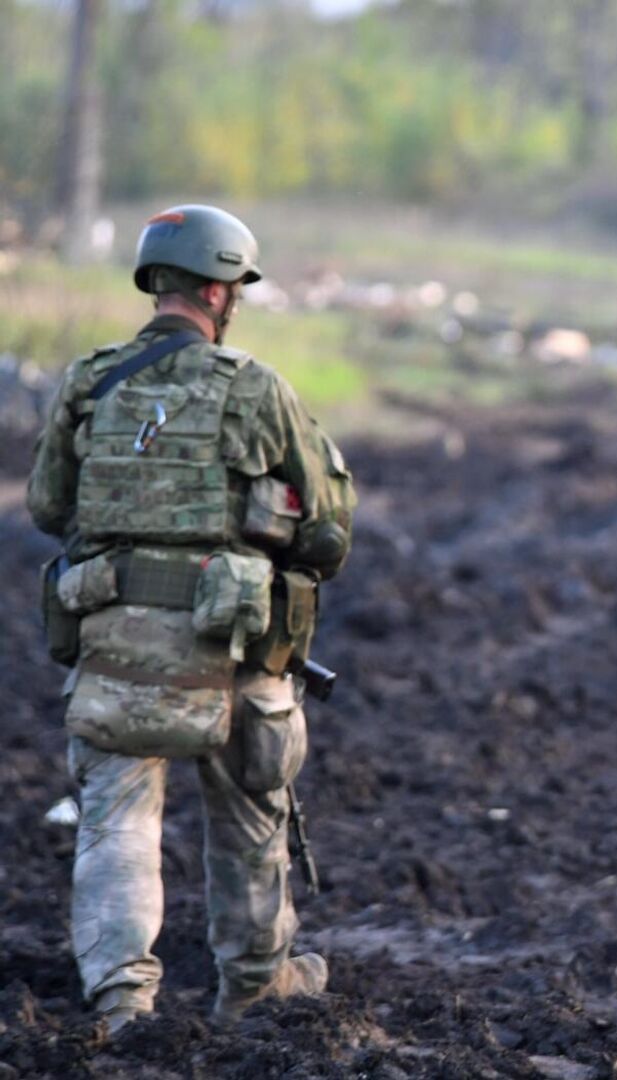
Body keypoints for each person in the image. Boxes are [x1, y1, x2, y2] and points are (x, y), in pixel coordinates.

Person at [27, 204, 356, 1032]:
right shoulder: (254, 386)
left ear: (158, 284)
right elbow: (327, 525)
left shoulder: (89, 382)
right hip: (233, 643)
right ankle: (252, 984)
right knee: (250, 811)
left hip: (114, 643)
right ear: (220, 291)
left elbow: (45, 506)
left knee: (117, 821)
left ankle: (121, 998)